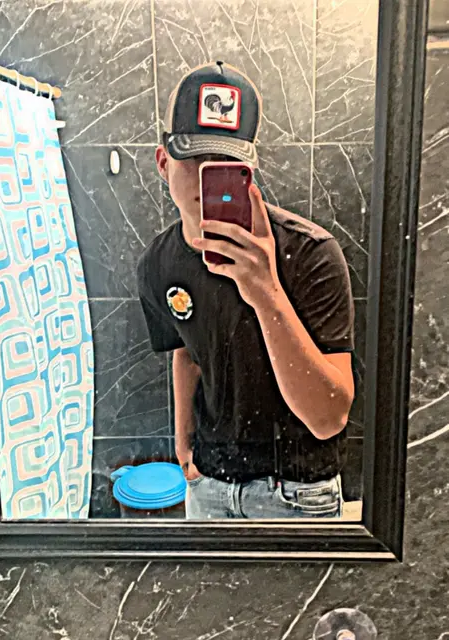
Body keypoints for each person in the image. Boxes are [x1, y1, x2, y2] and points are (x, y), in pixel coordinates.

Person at [137, 61, 355, 519]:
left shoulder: (311, 253)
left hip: (297, 490)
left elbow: (328, 418)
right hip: (208, 484)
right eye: (194, 158)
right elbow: (186, 352)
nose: (206, 177)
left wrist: (266, 291)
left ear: (248, 173)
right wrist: (183, 445)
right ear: (162, 162)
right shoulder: (159, 262)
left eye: (224, 165)